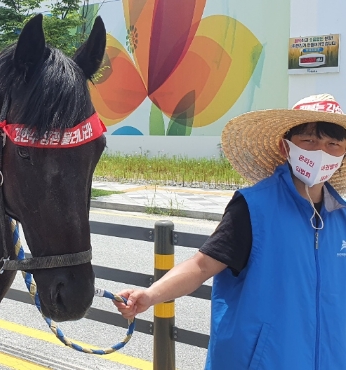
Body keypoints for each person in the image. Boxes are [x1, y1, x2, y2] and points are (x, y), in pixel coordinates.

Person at [114, 94, 346, 369]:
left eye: (333, 144)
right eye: (309, 141)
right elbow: (202, 265)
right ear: (286, 148)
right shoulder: (254, 207)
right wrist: (151, 295)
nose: (321, 152)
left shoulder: (341, 218)